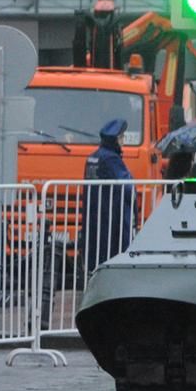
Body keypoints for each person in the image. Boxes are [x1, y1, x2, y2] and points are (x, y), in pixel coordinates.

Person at [80, 119, 134, 277]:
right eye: (122, 137)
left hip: (94, 216)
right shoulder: (111, 159)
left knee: (95, 252)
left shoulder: (93, 157)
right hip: (110, 216)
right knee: (111, 254)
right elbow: (128, 185)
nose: (124, 141)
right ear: (116, 140)